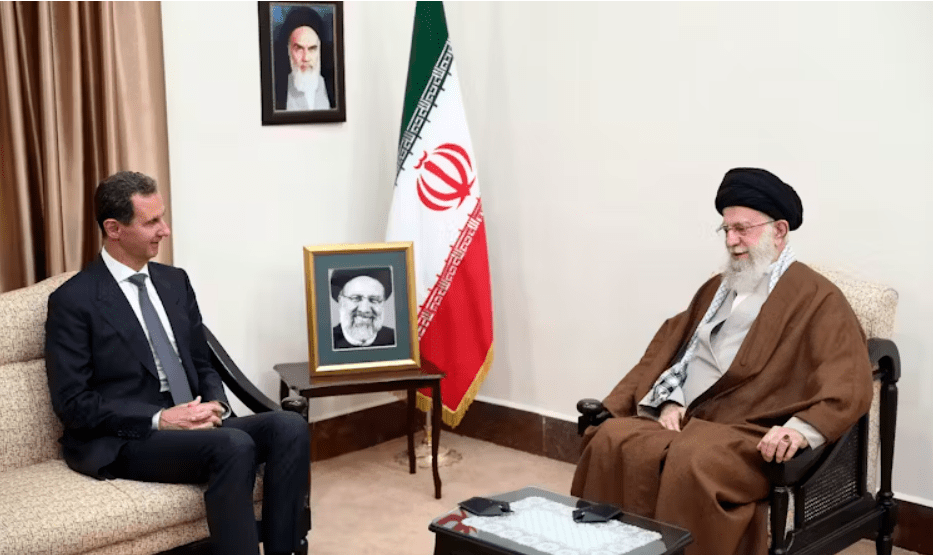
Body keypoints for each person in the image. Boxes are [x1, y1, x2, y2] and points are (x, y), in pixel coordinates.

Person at [570, 168, 874, 555]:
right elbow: (674, 348)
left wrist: (799, 431)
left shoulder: (819, 298)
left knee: (694, 462)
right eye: (726, 230)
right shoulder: (719, 286)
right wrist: (669, 399)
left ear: (779, 231)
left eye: (743, 229)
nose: (732, 241)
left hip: (749, 430)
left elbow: (849, 380)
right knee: (610, 440)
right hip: (689, 417)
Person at [44, 171, 310, 555]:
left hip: (196, 420)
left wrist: (215, 403)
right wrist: (161, 419)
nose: (165, 230)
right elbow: (73, 403)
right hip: (130, 437)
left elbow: (203, 363)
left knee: (289, 427)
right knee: (234, 445)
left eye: (163, 217)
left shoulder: (174, 282)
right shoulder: (74, 301)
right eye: (151, 222)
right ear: (114, 228)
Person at [274, 6, 334, 111]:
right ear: (288, 50)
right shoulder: (276, 91)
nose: (305, 58)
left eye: (312, 49)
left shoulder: (332, 89)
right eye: (299, 49)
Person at [330, 268, 396, 349]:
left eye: (374, 300)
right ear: (341, 302)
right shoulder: (326, 342)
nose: (365, 309)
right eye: (356, 298)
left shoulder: (394, 339)